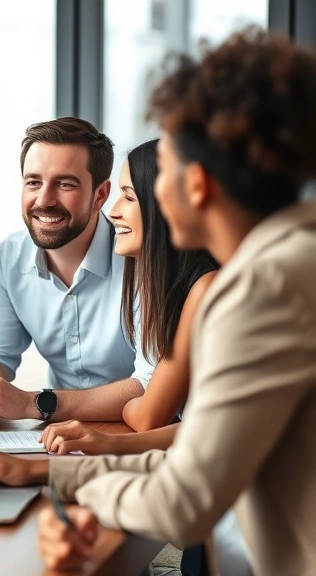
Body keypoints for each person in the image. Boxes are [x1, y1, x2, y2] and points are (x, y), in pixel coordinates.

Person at [0, 28, 316, 575]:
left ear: (197, 184)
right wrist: (40, 473)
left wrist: (67, 487)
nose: (124, 204)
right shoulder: (291, 259)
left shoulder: (262, 293)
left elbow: (184, 502)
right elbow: (198, 447)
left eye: (154, 177)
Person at [0, 117, 154, 424]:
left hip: (131, 432)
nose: (44, 200)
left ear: (101, 196)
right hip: (56, 435)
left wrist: (33, 403)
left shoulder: (142, 261)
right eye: (33, 182)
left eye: (65, 184)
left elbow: (151, 385)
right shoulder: (10, 258)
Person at [39, 139, 218, 456]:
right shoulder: (166, 287)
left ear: (164, 205)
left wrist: (122, 420)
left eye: (129, 197)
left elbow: (148, 416)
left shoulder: (204, 287)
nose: (113, 212)